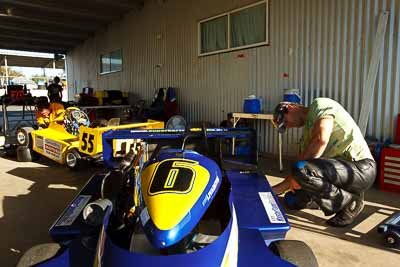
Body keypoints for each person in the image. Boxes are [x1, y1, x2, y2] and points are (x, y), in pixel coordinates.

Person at [272, 98, 376, 227]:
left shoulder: (319, 105)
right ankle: (322, 200)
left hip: (360, 168)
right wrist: (273, 191)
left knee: (301, 170)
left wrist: (297, 175)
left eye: (286, 122)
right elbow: (302, 171)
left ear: (290, 107)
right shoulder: (306, 135)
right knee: (292, 200)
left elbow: (321, 140)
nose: (289, 126)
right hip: (338, 172)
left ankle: (349, 202)